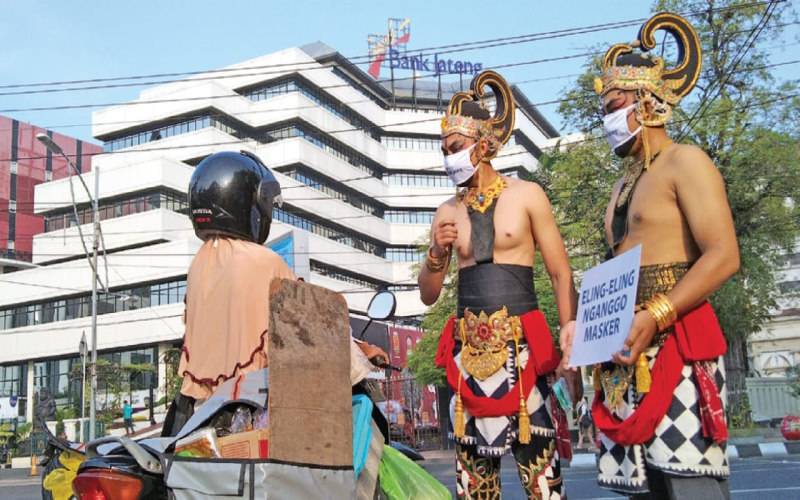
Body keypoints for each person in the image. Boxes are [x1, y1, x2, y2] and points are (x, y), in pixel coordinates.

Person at [560, 13, 739, 500]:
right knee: (643, 490)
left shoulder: (686, 160)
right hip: (622, 352)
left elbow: (724, 255)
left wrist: (658, 313)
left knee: (690, 484)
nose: (607, 118)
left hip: (675, 344)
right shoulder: (620, 187)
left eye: (614, 104)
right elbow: (613, 276)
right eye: (602, 109)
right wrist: (579, 329)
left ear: (646, 101)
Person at [419, 70, 581, 500]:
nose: (448, 158)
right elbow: (428, 293)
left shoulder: (528, 195)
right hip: (469, 356)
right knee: (474, 487)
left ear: (483, 145)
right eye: (444, 151)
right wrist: (437, 253)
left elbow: (561, 272)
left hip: (523, 350)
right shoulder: (444, 212)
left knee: (542, 481)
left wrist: (571, 337)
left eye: (455, 148)